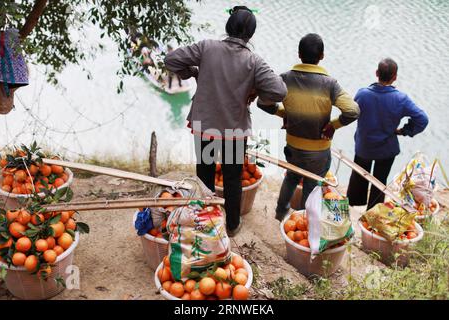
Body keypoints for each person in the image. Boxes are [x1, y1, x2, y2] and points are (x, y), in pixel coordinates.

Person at [165, 6, 287, 236]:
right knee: (232, 178)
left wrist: (193, 72)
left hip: (206, 126)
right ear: (250, 34)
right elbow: (279, 91)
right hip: (233, 131)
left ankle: (207, 222)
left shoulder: (206, 47)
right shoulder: (254, 61)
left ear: (227, 27)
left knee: (205, 175)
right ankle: (231, 225)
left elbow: (171, 60)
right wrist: (255, 92)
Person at [257, 33, 360, 221]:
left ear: (299, 54)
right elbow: (353, 111)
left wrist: (284, 113)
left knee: (291, 177)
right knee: (312, 185)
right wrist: (333, 125)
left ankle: (280, 214)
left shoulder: (285, 79)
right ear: (322, 56)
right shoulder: (330, 84)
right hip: (319, 151)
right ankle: (302, 223)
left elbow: (263, 102)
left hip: (293, 147)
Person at [347, 58, 429, 209]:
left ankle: (353, 204)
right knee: (380, 181)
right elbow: (422, 119)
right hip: (386, 149)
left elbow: (351, 113)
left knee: (359, 176)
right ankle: (373, 212)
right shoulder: (401, 99)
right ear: (395, 77)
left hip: (364, 146)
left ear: (377, 73)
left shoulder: (362, 94)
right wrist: (405, 130)